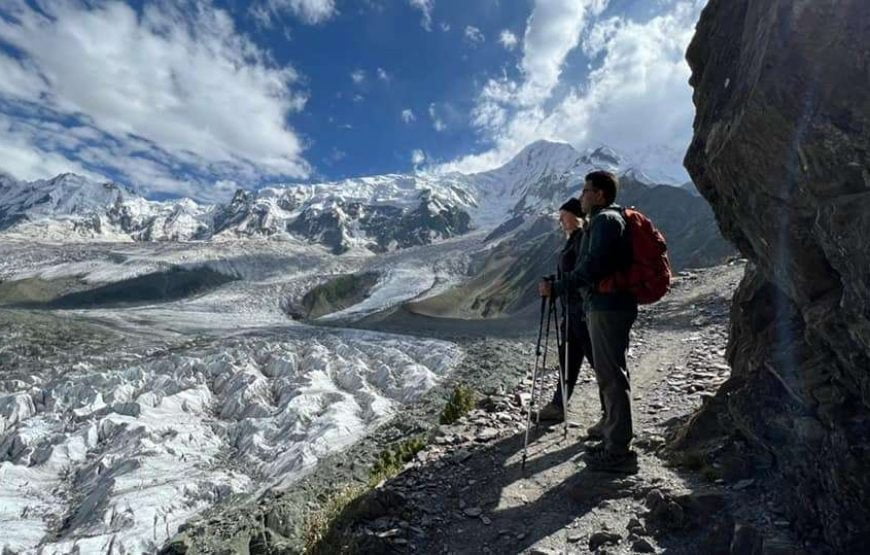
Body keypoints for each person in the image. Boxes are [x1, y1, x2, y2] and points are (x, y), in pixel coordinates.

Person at [538, 170, 638, 472]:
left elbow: (592, 267)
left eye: (585, 190)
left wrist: (558, 287)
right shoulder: (603, 222)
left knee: (610, 374)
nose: (581, 195)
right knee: (608, 372)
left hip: (606, 307)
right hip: (603, 305)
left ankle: (619, 452)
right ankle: (612, 436)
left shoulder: (605, 221)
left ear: (600, 194)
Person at [534, 198, 599, 433]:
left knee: (597, 361)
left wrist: (557, 287)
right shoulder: (574, 240)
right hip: (571, 311)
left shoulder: (582, 239)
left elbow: (581, 275)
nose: (560, 220)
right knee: (568, 360)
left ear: (575, 216)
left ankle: (611, 414)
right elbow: (569, 272)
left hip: (582, 312)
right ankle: (558, 405)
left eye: (564, 215)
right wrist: (554, 281)